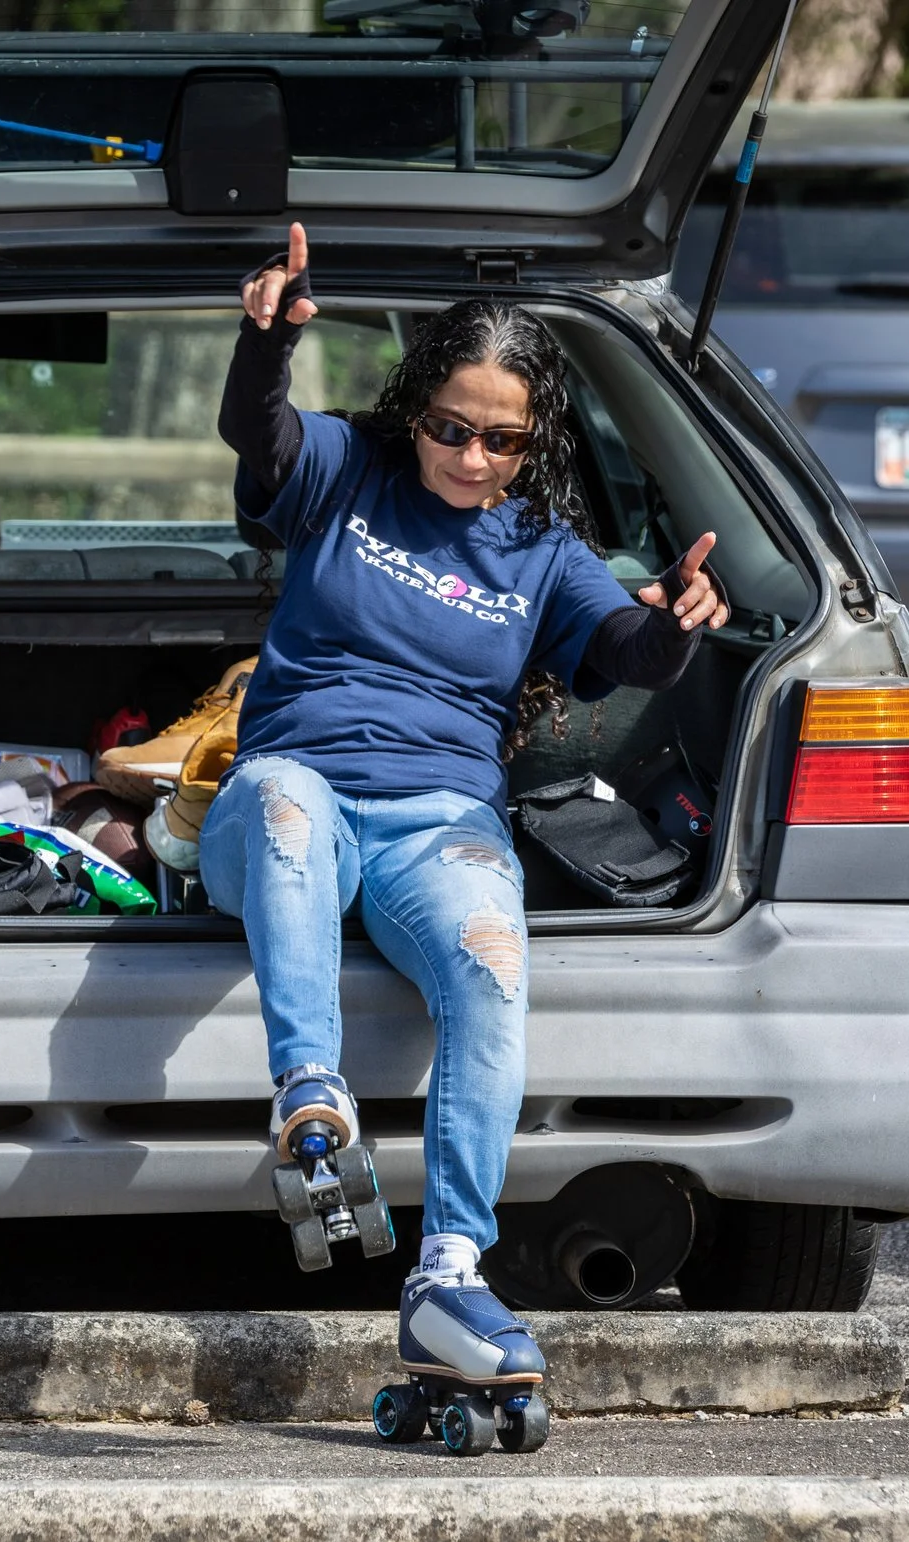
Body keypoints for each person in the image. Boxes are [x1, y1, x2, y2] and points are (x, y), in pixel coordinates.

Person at [202, 223, 729, 1396]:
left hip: (436, 821)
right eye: (450, 426)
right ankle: (310, 1097)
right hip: (294, 792)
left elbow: (625, 646)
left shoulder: (541, 547)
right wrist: (265, 345)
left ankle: (448, 1271)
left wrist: (681, 620)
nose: (471, 457)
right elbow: (260, 433)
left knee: (493, 965)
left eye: (501, 438)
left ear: (530, 441)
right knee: (285, 806)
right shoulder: (346, 468)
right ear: (415, 409)